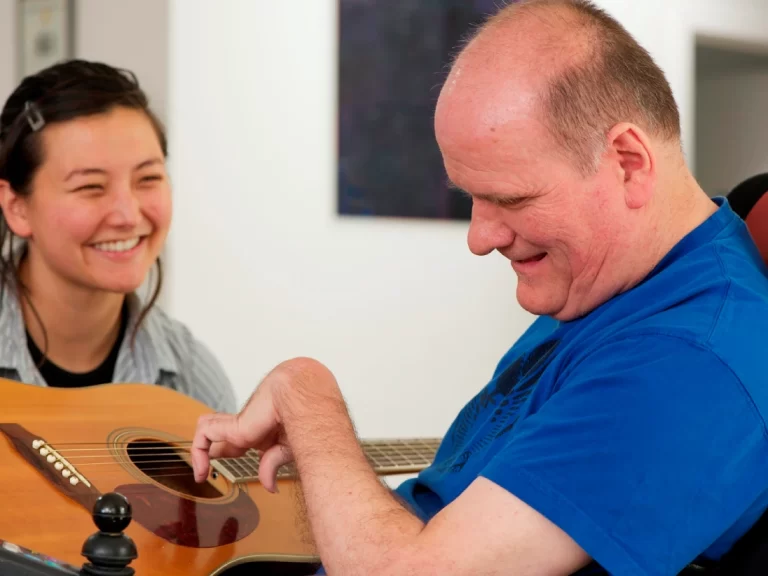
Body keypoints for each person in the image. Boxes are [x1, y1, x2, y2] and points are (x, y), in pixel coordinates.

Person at [191, 0, 768, 574]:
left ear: (628, 162)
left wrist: (305, 394)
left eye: (510, 199)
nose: (479, 237)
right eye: (471, 196)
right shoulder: (608, 289)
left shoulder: (687, 359)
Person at [0, 59, 237, 413]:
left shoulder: (193, 382)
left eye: (148, 179)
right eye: (91, 187)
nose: (128, 215)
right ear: (17, 207)